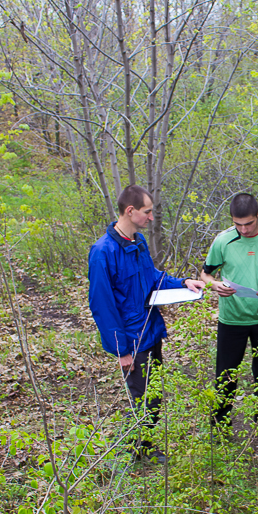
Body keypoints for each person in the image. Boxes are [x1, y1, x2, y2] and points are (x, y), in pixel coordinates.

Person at [88, 185, 203, 455]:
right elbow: (102, 305)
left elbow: (152, 277)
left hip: (150, 331)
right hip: (131, 338)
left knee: (152, 395)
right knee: (140, 397)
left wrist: (182, 282)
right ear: (130, 211)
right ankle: (133, 450)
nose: (151, 217)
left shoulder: (137, 242)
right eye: (147, 212)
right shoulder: (103, 252)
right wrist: (121, 350)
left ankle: (144, 446)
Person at [201, 193, 258, 429]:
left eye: (248, 223)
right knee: (226, 372)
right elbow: (205, 273)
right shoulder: (223, 241)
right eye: (238, 224)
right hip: (232, 318)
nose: (244, 229)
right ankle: (220, 422)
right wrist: (215, 284)